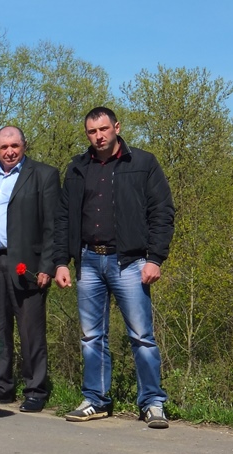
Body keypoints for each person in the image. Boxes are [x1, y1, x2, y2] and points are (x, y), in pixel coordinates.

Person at [54, 107, 175, 428]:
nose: (99, 136)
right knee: (92, 337)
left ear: (117, 127)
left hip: (131, 262)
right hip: (88, 261)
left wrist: (155, 258)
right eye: (92, 131)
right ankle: (96, 399)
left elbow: (162, 211)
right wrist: (60, 262)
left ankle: (152, 402)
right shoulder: (77, 168)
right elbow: (64, 218)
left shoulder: (143, 163)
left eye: (104, 129)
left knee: (142, 336)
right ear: (87, 134)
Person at [0, 126, 60, 412]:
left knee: (31, 329)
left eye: (15, 146)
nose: (9, 151)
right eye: (3, 147)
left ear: (24, 146)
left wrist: (47, 265)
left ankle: (35, 388)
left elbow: (52, 226)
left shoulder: (43, 175)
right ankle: (0, 386)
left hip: (27, 265)